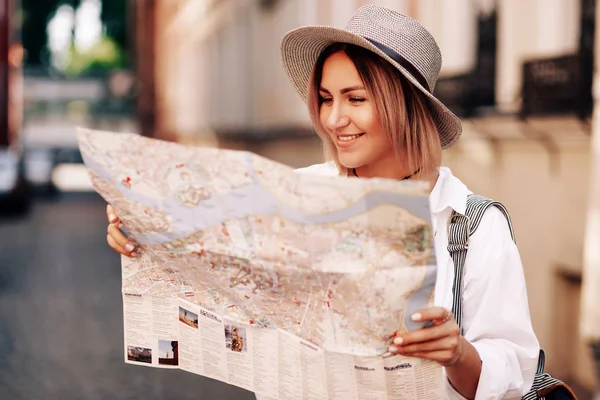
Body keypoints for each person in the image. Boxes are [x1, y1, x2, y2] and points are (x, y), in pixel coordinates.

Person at [106, 5, 539, 399]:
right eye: (327, 99)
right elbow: (207, 256)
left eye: (356, 98)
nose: (334, 119)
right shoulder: (291, 198)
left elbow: (514, 374)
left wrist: (458, 354)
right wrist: (143, 227)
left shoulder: (474, 224)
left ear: (404, 106)